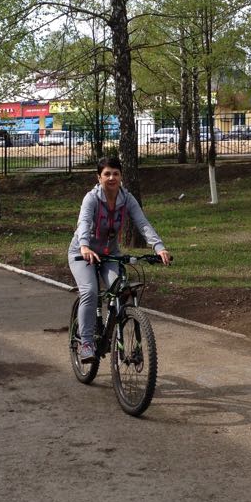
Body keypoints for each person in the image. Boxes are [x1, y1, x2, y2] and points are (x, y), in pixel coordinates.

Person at [68, 156, 171, 363]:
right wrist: (84, 246)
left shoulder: (127, 199)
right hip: (82, 253)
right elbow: (84, 222)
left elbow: (142, 223)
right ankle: (86, 343)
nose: (112, 178)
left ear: (121, 176)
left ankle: (114, 333)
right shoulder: (91, 198)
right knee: (90, 291)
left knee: (121, 289)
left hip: (109, 254)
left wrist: (159, 247)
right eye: (107, 174)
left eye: (116, 173)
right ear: (99, 177)